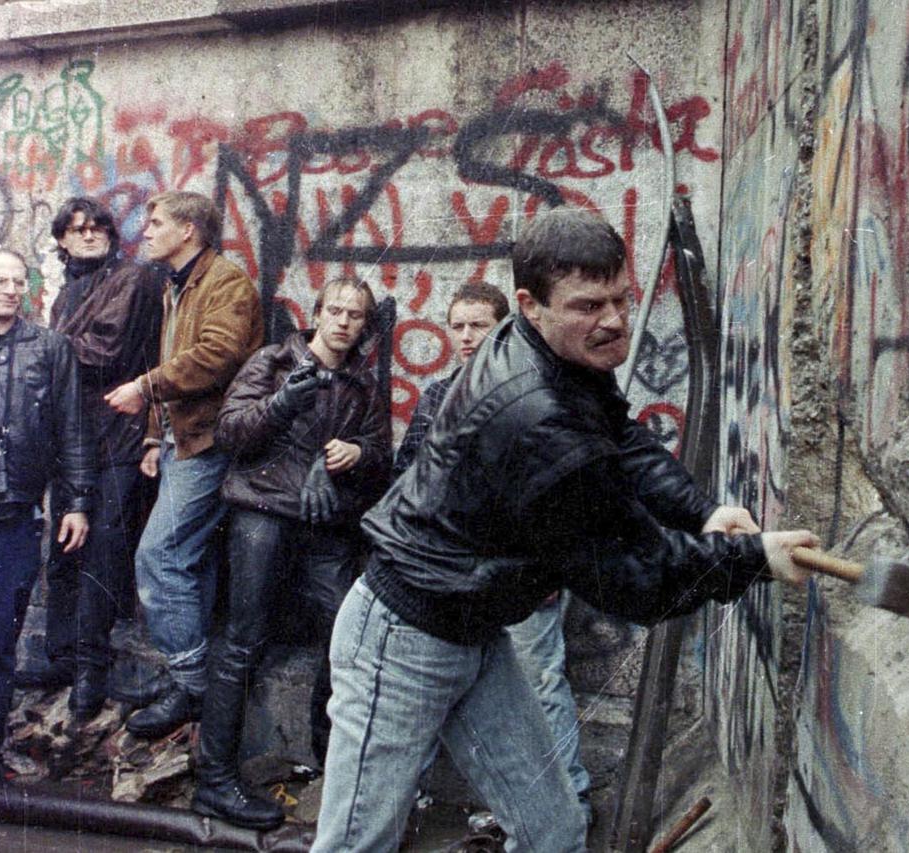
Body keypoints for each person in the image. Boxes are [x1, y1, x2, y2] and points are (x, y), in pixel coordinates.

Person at [313, 208, 817, 852]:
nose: (612, 321)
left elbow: (619, 438)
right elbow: (636, 578)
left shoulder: (560, 350)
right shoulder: (534, 416)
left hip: (474, 628)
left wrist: (700, 512)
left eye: (620, 299)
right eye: (588, 305)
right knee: (357, 845)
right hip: (403, 640)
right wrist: (753, 559)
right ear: (529, 305)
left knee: (553, 832)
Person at [192, 277, 391, 830]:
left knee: (344, 639)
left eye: (355, 315)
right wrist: (282, 404)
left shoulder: (362, 387)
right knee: (242, 641)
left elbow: (382, 456)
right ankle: (214, 782)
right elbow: (230, 435)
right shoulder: (273, 362)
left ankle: (334, 772)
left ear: (363, 325)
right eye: (336, 311)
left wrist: (356, 453)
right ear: (318, 314)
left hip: (325, 524)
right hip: (262, 512)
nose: (344, 322)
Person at [395, 281, 594, 819]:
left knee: (538, 684)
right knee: (435, 682)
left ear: (505, 328)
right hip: (453, 573)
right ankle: (412, 800)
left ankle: (568, 800)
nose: (464, 337)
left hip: (521, 573)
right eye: (456, 326)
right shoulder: (439, 396)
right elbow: (404, 477)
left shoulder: (542, 392)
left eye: (477, 325)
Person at [104, 190, 263, 739]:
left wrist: (144, 390)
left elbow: (217, 355)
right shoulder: (180, 284)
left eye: (156, 223)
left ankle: (192, 686)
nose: (145, 231)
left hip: (209, 444)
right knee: (188, 563)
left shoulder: (226, 283)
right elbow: (175, 359)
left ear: (189, 230)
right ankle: (184, 678)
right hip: (180, 442)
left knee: (160, 558)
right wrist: (154, 439)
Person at [13, 198, 163, 721]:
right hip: (69, 438)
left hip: (116, 436)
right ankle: (60, 657)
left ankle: (90, 669)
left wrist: (41, 348)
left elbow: (108, 351)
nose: (90, 234)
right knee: (64, 547)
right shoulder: (67, 291)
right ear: (61, 240)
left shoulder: (132, 279)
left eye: (99, 226)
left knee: (102, 551)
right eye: (77, 229)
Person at [0, 249, 92, 783]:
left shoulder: (49, 349)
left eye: (19, 281)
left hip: (12, 524)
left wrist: (77, 502)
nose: (11, 290)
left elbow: (72, 430)